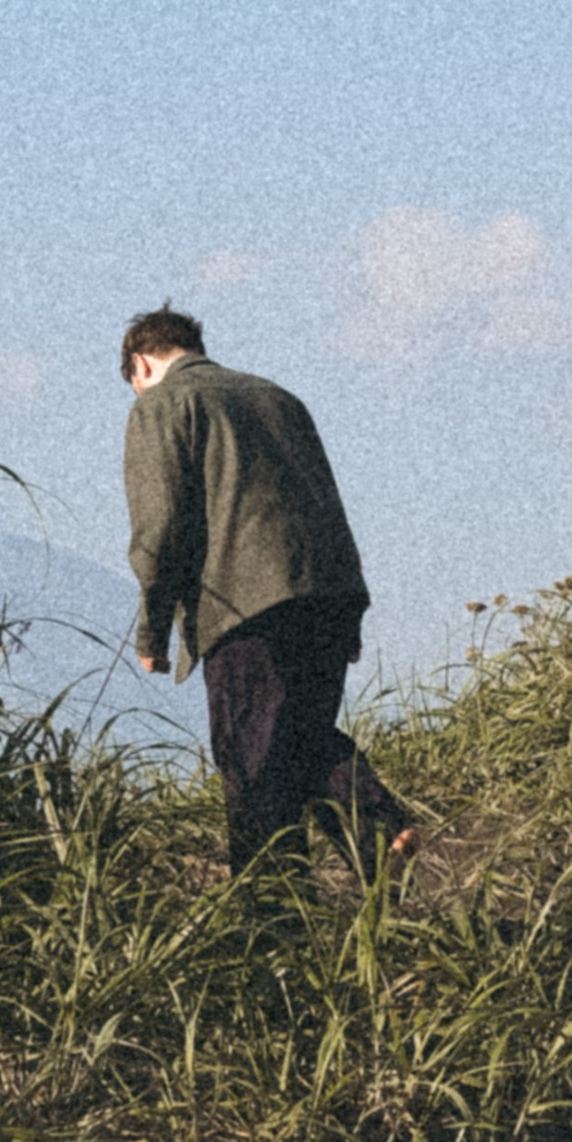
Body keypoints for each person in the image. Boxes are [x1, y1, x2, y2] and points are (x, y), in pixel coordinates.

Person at [121, 306, 417, 878]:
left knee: (250, 759)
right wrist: (348, 607)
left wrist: (152, 629)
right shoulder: (278, 397)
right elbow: (326, 499)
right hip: (329, 592)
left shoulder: (161, 405)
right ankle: (379, 834)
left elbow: (158, 528)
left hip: (245, 607)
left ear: (140, 364)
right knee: (297, 739)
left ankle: (270, 922)